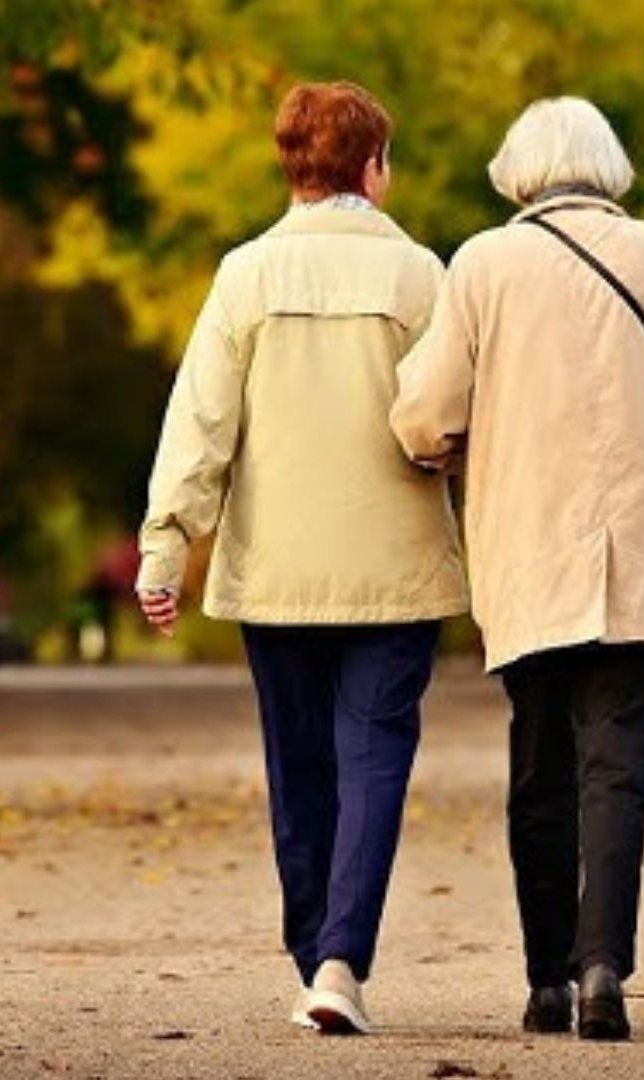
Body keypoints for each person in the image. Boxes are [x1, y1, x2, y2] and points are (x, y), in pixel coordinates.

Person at [391, 97, 644, 1041]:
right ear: (611, 167)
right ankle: (605, 967)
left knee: (541, 765)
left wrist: (451, 443)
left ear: (516, 171)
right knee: (619, 772)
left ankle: (546, 980)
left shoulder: (482, 263)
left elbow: (427, 413)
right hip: (641, 551)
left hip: (529, 552)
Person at [134, 81, 466, 1036]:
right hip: (393, 570)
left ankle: (310, 944)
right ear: (372, 168)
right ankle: (338, 959)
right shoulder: (421, 277)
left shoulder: (244, 276)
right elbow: (452, 420)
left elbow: (200, 424)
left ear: (291, 167)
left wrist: (167, 550)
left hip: (276, 571)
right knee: (374, 764)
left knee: (299, 768)